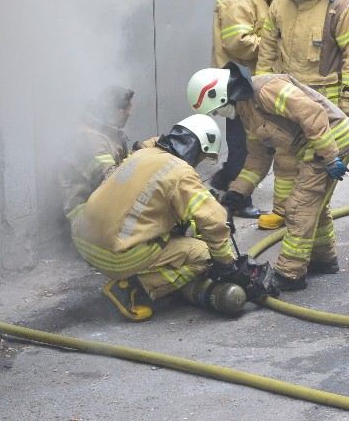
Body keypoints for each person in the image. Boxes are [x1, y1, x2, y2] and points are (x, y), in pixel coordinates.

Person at [71, 115, 274, 321]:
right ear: (198, 147)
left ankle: (137, 273)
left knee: (181, 235)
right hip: (116, 255)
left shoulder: (143, 154)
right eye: (203, 156)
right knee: (205, 255)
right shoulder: (180, 172)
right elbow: (214, 221)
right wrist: (226, 265)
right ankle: (133, 288)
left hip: (85, 244)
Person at [188, 63, 349, 292]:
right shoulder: (246, 111)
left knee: (299, 208)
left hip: (329, 142)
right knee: (313, 206)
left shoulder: (266, 90)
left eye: (216, 111)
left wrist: (330, 158)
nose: (219, 116)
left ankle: (290, 274)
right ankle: (324, 259)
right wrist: (237, 193)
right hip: (316, 147)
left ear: (219, 96)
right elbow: (258, 158)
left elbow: (313, 113)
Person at [255, 0, 349, 230]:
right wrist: (261, 84)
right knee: (284, 157)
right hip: (286, 95)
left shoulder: (338, 7)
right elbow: (268, 44)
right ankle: (281, 211)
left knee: (316, 163)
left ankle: (313, 213)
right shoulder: (281, 1)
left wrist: (347, 96)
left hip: (323, 98)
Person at [209, 0, 286, 200]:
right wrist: (272, 46)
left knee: (250, 131)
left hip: (252, 69)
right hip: (238, 69)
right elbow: (233, 34)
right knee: (242, 133)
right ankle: (235, 190)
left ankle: (231, 178)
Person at [59, 85, 134, 225]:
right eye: (128, 110)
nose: (130, 114)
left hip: (97, 208)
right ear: (119, 112)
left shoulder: (108, 133)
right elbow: (113, 181)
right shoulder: (92, 139)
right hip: (83, 220)